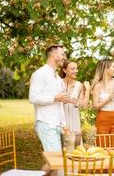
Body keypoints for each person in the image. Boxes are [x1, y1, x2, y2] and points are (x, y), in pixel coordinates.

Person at [29, 44, 68, 175]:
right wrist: (54, 97)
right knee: (55, 162)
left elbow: (59, 103)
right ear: (53, 54)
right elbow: (33, 98)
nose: (64, 57)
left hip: (56, 124)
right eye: (62, 54)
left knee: (56, 164)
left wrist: (64, 124)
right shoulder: (40, 73)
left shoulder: (57, 77)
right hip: (45, 122)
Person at [91, 58, 114, 148]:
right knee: (102, 147)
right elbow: (95, 106)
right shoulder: (97, 85)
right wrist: (108, 99)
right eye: (113, 66)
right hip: (102, 119)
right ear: (106, 68)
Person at [60, 60, 91, 143]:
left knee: (76, 150)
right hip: (61, 122)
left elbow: (84, 105)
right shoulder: (58, 83)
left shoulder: (79, 85)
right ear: (64, 70)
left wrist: (87, 89)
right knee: (62, 150)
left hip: (75, 123)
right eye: (72, 69)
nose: (76, 71)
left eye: (76, 69)